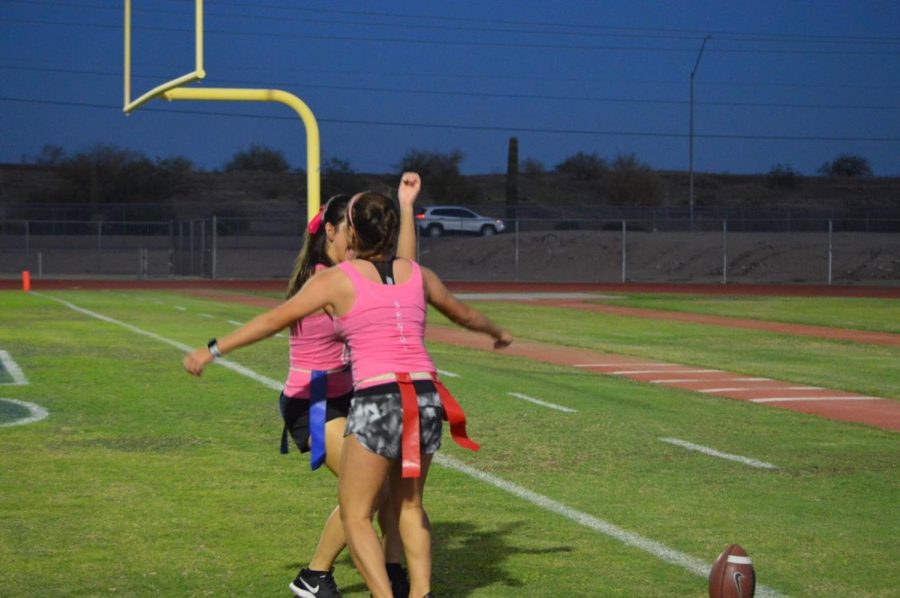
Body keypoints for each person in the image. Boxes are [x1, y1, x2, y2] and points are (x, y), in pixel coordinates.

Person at [183, 190, 512, 598]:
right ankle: (328, 575)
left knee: (380, 498)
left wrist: (406, 208)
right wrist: (215, 349)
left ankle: (371, 576)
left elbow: (401, 266)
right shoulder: (326, 278)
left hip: (367, 396)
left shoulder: (356, 275)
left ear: (352, 231)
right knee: (382, 498)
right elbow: (277, 319)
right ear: (331, 232)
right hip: (318, 399)